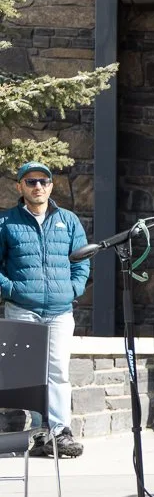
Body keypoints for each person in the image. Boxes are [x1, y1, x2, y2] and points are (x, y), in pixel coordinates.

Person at [0, 162, 91, 458]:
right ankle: (42, 435)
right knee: (30, 375)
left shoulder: (68, 220)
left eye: (43, 181)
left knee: (57, 372)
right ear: (20, 187)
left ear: (51, 186)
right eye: (30, 181)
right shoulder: (6, 223)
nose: (37, 186)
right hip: (23, 308)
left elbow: (81, 261)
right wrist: (12, 289)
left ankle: (60, 433)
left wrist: (73, 289)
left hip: (60, 311)